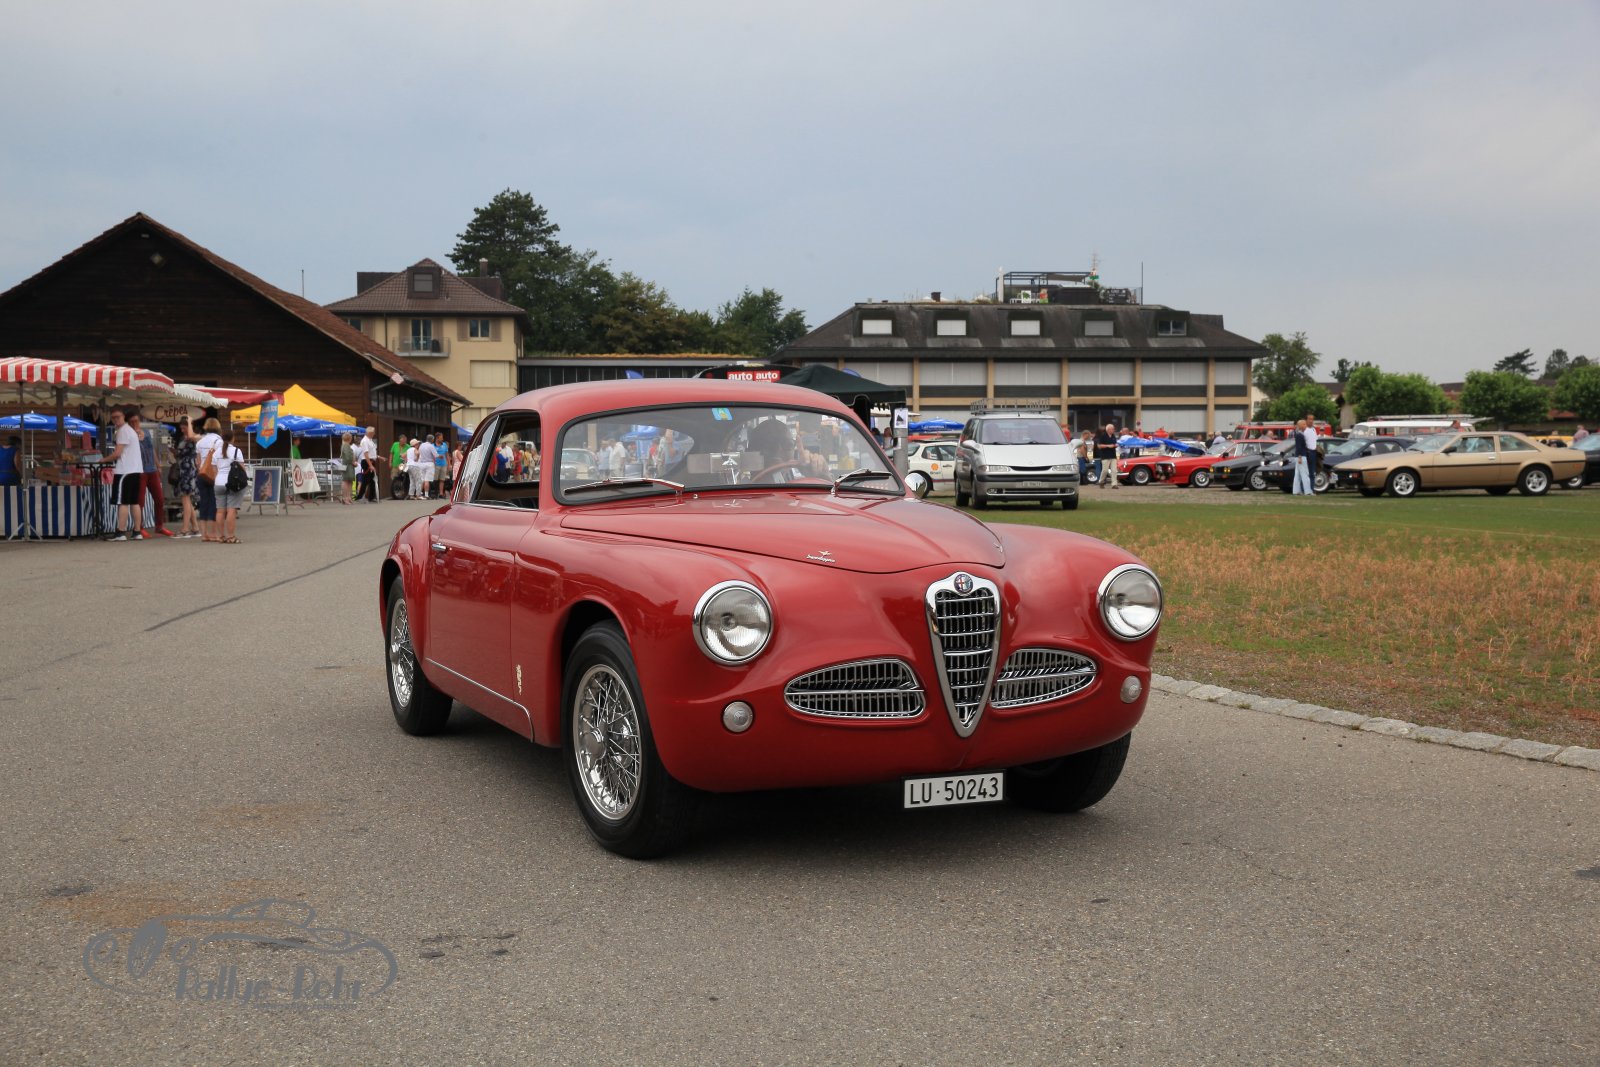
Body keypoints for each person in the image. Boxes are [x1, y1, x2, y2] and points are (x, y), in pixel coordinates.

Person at [129, 413, 173, 537]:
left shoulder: (146, 432)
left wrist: (158, 465)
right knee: (140, 501)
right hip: (140, 470)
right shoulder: (130, 435)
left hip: (152, 469)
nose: (135, 423)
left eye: (136, 421)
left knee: (160, 499)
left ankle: (159, 526)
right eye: (132, 422)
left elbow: (151, 449)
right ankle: (139, 527)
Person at [107, 407, 145, 540]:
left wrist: (103, 459)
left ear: (124, 417)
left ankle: (121, 531)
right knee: (134, 502)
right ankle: (137, 531)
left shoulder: (123, 431)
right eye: (113, 418)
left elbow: (117, 453)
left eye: (118, 417)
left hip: (125, 470)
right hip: (135, 470)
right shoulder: (130, 430)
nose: (116, 420)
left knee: (122, 502)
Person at [195, 416, 224, 541]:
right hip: (214, 475)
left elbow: (198, 462)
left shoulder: (200, 442)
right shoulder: (220, 441)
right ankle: (212, 533)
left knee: (203, 503)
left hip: (202, 475)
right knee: (214, 503)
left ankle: (204, 534)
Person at [214, 428, 245, 542]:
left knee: (220, 511)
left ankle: (220, 536)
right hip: (232, 483)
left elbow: (214, 470)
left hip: (218, 483)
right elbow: (242, 469)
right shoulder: (236, 451)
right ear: (233, 438)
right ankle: (231, 536)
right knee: (231, 510)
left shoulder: (216, 452)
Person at [173, 416, 201, 537]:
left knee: (186, 499)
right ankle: (195, 527)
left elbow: (190, 437)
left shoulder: (195, 437)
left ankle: (185, 529)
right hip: (183, 469)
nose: (182, 430)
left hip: (188, 470)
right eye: (181, 428)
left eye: (184, 428)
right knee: (187, 499)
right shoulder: (183, 438)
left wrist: (189, 421)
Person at [1291, 419, 1314, 495]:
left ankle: (1296, 491)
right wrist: (1300, 457)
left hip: (1298, 456)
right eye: (1304, 424)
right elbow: (1299, 447)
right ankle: (1308, 491)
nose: (1305, 425)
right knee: (1305, 474)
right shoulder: (1299, 435)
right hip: (1301, 456)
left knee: (1297, 475)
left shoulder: (1299, 434)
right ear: (1300, 426)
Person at [1094, 422, 1120, 488]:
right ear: (1108, 429)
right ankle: (1101, 481)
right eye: (1112, 429)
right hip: (1105, 456)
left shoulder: (1113, 436)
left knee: (1114, 470)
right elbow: (1099, 446)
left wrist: (1116, 445)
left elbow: (1114, 443)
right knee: (1105, 470)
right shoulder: (1103, 436)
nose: (1114, 430)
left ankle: (1114, 484)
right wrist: (1108, 446)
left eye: (1113, 429)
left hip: (1113, 455)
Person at [356, 426, 379, 502]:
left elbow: (372, 452)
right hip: (367, 462)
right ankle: (360, 496)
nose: (374, 434)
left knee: (372, 480)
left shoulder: (370, 440)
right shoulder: (365, 441)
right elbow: (366, 454)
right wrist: (370, 465)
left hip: (371, 460)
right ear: (370, 433)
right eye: (373, 433)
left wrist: (379, 457)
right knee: (366, 480)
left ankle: (371, 497)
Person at [417, 435, 438, 499]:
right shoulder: (431, 446)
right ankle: (426, 495)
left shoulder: (421, 445)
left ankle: (419, 494)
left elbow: (419, 454)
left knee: (422, 480)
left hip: (421, 464)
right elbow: (436, 455)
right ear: (432, 440)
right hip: (429, 464)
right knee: (427, 480)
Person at [337, 432, 356, 504]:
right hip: (348, 465)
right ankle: (345, 498)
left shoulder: (344, 445)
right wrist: (353, 462)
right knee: (346, 481)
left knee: (349, 481)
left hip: (347, 465)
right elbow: (348, 457)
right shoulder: (346, 445)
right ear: (350, 438)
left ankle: (348, 497)